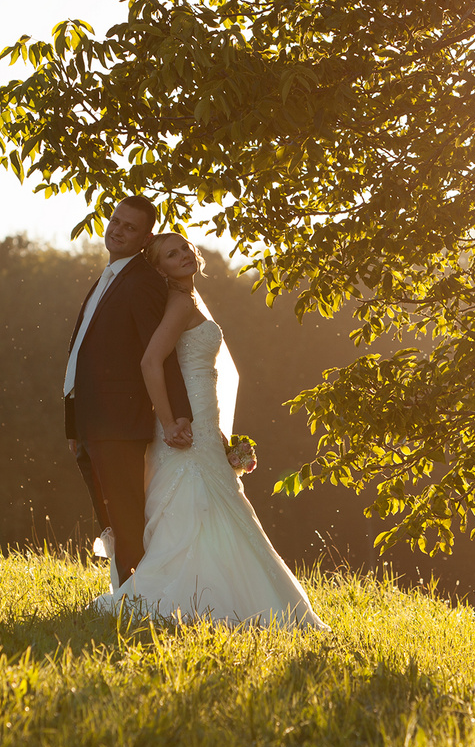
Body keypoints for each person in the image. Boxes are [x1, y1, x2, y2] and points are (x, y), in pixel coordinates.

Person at [92, 232, 329, 630]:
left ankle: (221, 598)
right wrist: (169, 424)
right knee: (195, 505)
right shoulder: (180, 302)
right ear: (159, 268)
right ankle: (199, 601)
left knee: (215, 505)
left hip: (204, 422)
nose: (183, 255)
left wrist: (222, 439)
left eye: (184, 247)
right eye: (171, 254)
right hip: (184, 427)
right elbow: (151, 362)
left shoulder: (189, 299)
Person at [64, 196, 194, 592]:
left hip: (120, 420)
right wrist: (73, 425)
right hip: (90, 418)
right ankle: (123, 590)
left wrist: (179, 413)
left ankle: (135, 597)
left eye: (130, 227)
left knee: (125, 516)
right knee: (107, 515)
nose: (118, 230)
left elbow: (159, 354)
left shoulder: (141, 282)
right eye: (115, 221)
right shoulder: (109, 276)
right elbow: (83, 352)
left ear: (145, 238)